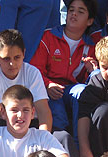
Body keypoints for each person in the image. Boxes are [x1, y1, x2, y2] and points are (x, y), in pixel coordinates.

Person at [30, 0, 97, 134]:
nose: (74, 14)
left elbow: (87, 82)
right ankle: (57, 146)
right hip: (47, 90)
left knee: (82, 92)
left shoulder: (91, 46)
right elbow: (34, 70)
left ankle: (78, 147)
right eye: (71, 10)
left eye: (80, 11)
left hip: (71, 90)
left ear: (89, 21)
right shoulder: (47, 37)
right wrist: (48, 85)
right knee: (57, 111)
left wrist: (92, 71)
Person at [0, 29, 52, 132]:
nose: (12, 64)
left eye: (17, 57)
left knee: (63, 137)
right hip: (5, 123)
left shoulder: (32, 72)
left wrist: (44, 136)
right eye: (6, 59)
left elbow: (43, 110)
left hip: (31, 123)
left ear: (24, 53)